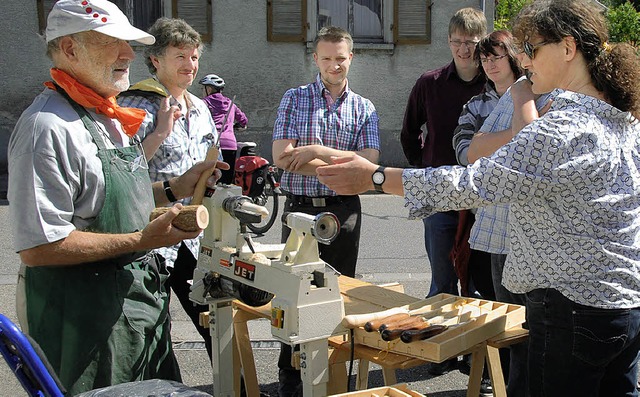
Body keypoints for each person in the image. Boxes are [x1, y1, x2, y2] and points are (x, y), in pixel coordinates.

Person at [317, 0, 640, 395]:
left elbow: (472, 183)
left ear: (568, 48)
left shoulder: (563, 130)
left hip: (570, 314)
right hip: (622, 310)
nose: (524, 61)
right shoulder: (621, 119)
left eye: (531, 49)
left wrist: (377, 177)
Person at [7, 1, 227, 395]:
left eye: (128, 43)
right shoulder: (48, 128)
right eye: (113, 43)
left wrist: (178, 187)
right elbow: (41, 245)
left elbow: (122, 200)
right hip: (87, 327)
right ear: (70, 49)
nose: (128, 54)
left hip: (137, 314)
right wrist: (142, 242)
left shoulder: (107, 116)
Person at [271, 25, 380, 396]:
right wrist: (342, 163)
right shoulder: (294, 99)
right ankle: (290, 379)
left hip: (343, 213)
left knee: (336, 295)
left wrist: (316, 151)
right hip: (300, 210)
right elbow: (282, 158)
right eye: (327, 58)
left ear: (352, 58)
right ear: (315, 58)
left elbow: (369, 163)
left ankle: (331, 380)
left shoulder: (364, 107)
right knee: (294, 296)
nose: (335, 65)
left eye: (341, 58)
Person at [117, 18, 220, 360]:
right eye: (180, 57)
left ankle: (235, 388)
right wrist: (160, 131)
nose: (189, 65)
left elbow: (205, 159)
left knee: (213, 320)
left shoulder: (202, 109)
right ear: (156, 60)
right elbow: (121, 173)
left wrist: (211, 177)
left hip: (194, 234)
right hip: (152, 234)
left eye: (193, 57)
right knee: (150, 325)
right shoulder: (135, 105)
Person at [400, 6, 487, 376]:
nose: (464, 50)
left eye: (471, 42)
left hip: (484, 200)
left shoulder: (495, 82)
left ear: (481, 43)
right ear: (448, 41)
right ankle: (440, 351)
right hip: (439, 196)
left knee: (480, 282)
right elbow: (408, 133)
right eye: (457, 42)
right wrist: (425, 170)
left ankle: (475, 356)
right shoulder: (429, 83)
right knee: (442, 278)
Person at [200, 74, 248, 184]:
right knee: (226, 182)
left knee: (209, 181)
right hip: (230, 144)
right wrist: (236, 126)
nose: (202, 91)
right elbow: (244, 121)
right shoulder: (231, 104)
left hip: (212, 144)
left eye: (203, 88)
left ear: (209, 89)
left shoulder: (204, 103)